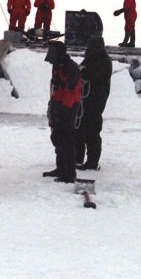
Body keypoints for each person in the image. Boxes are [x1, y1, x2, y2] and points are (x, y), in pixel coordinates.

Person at [42, 41, 81, 183]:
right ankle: (61, 168)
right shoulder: (57, 65)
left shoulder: (71, 67)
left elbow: (72, 90)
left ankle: (69, 174)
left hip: (68, 105)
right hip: (58, 103)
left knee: (67, 139)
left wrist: (65, 108)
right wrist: (53, 105)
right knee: (57, 136)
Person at [75, 36, 112, 170]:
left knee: (92, 131)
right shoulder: (93, 58)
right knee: (80, 129)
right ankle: (78, 157)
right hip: (86, 100)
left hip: (96, 101)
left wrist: (83, 71)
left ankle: (92, 161)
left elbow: (91, 74)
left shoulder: (103, 61)